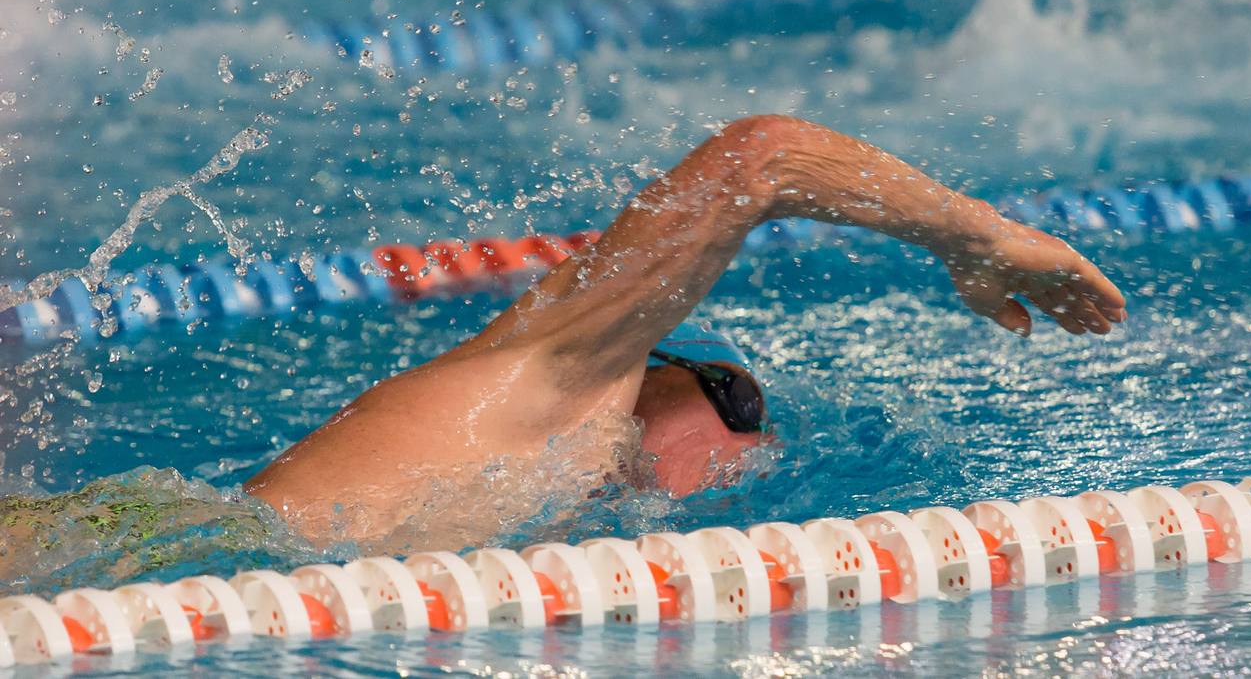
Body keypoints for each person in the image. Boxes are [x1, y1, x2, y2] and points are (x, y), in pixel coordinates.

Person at [245, 115, 1128, 545]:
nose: (754, 433)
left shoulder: (548, 498)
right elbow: (763, 156)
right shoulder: (554, 377)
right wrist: (980, 240)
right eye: (734, 396)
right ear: (657, 370)